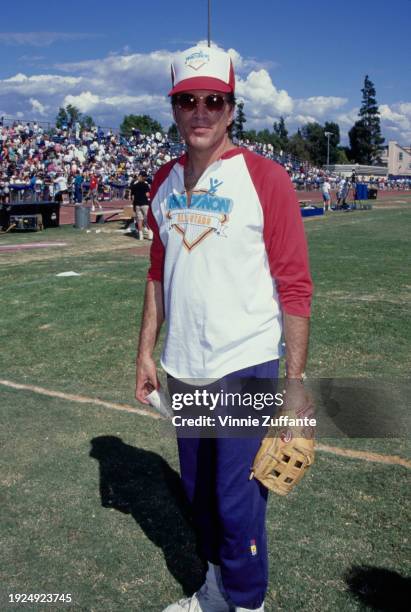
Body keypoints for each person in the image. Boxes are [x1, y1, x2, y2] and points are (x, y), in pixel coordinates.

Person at [135, 45, 313, 612]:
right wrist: (145, 353)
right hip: (184, 367)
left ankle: (248, 603)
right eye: (188, 100)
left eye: (213, 100)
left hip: (245, 364)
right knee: (198, 497)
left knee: (237, 505)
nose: (200, 111)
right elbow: (158, 273)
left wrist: (295, 381)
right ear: (175, 109)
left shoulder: (265, 178)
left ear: (232, 109)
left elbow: (295, 284)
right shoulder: (164, 180)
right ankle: (214, 592)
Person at [130, 171, 152, 240]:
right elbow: (147, 195)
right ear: (143, 177)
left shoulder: (134, 185)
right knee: (148, 219)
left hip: (137, 204)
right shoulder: (145, 185)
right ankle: (150, 234)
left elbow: (132, 197)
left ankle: (140, 235)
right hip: (144, 203)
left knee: (139, 220)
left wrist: (133, 205)